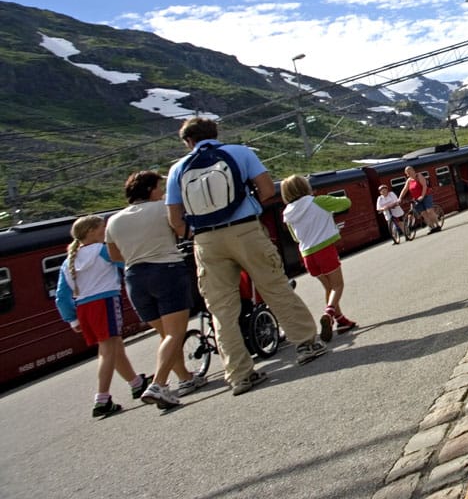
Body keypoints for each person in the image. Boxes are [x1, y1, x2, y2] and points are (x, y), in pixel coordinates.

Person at [165, 116, 326, 396]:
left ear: (188, 142)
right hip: (245, 230)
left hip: (205, 241)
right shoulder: (240, 153)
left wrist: (199, 233)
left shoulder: (177, 170)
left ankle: (240, 375)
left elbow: (175, 220)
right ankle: (306, 344)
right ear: (215, 133)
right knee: (274, 287)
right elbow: (266, 189)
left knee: (222, 309)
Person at [105, 171, 205, 410]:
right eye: (160, 187)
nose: (162, 192)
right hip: (166, 271)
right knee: (175, 333)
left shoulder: (114, 220)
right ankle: (158, 385)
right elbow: (182, 229)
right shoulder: (162, 208)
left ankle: (185, 378)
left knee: (166, 334)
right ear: (150, 189)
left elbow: (114, 255)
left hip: (134, 279)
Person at [54, 215, 148, 417]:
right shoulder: (103, 251)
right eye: (101, 227)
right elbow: (128, 264)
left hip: (83, 308)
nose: (105, 230)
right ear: (90, 232)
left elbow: (61, 296)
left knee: (115, 347)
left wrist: (72, 319)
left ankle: (136, 383)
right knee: (107, 350)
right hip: (105, 302)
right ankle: (102, 398)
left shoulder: (67, 263)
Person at [280, 175, 357, 337]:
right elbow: (346, 203)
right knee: (338, 286)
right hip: (325, 250)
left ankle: (341, 321)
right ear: (304, 186)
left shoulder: (288, 214)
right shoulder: (317, 201)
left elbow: (295, 238)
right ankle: (328, 314)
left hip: (307, 255)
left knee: (328, 288)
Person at [400, 166, 443, 234]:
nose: (409, 173)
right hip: (417, 199)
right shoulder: (409, 180)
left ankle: (437, 225)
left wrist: (422, 196)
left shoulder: (419, 176)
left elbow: (424, 186)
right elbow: (405, 189)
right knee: (424, 214)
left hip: (426, 195)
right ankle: (432, 227)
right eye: (407, 172)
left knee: (429, 211)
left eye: (409, 171)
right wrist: (400, 198)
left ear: (413, 170)